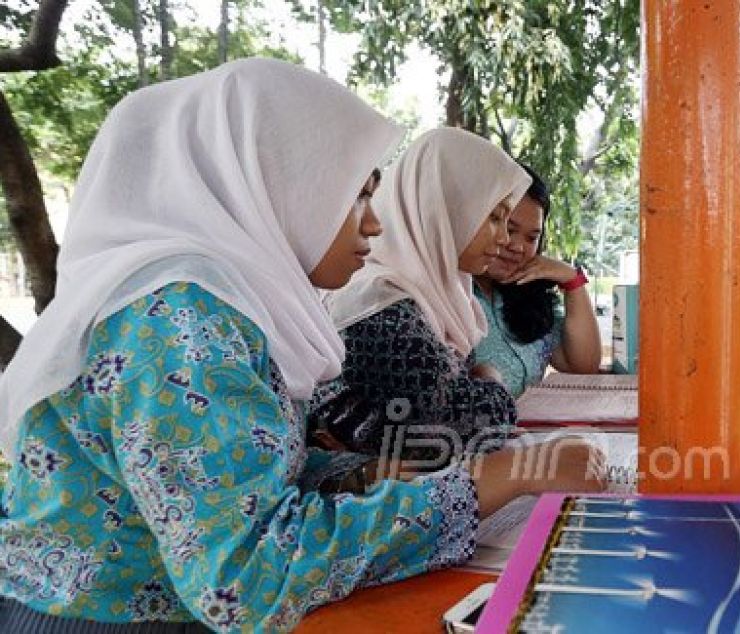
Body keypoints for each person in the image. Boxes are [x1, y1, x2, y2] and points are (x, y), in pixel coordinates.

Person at [0, 59, 603, 632]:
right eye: (356, 194)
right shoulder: (179, 320)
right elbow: (246, 578)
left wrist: (353, 474)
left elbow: (231, 469)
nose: (373, 222)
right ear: (278, 184)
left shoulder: (226, 303)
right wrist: (511, 473)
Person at [311, 128, 529, 460]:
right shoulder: (378, 304)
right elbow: (459, 427)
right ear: (445, 208)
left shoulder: (436, 294)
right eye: (495, 218)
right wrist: (493, 381)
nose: (503, 239)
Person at [471, 165, 601, 396]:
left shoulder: (529, 297)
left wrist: (573, 281)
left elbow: (582, 366)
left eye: (532, 237)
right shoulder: (447, 295)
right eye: (509, 229)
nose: (518, 247)